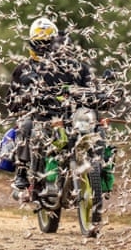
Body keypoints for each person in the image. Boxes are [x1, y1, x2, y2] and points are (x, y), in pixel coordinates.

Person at [6, 17, 92, 191]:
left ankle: (97, 172)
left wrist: (106, 94)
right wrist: (23, 97)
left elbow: (92, 89)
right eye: (40, 42)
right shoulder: (23, 69)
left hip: (71, 117)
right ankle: (22, 173)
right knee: (26, 124)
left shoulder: (75, 67)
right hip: (40, 116)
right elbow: (10, 101)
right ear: (31, 43)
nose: (44, 46)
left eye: (48, 42)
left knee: (97, 129)